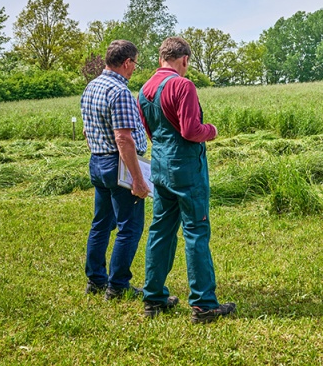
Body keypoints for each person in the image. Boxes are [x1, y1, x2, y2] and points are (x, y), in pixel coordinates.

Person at [138, 36, 235, 322]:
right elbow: (191, 130)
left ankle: (153, 298)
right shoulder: (183, 85)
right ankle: (204, 304)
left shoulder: (144, 89)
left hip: (160, 166)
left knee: (161, 230)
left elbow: (150, 131)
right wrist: (212, 130)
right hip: (186, 168)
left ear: (160, 59)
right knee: (196, 231)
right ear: (184, 60)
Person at [80, 39, 150, 300]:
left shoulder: (92, 86)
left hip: (97, 161)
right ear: (127, 62)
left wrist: (99, 149)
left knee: (100, 223)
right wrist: (138, 179)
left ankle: (96, 280)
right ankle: (118, 285)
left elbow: (88, 130)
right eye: (134, 64)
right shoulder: (119, 92)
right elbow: (124, 139)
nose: (134, 69)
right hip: (118, 164)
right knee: (129, 227)